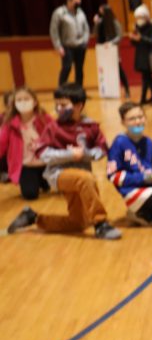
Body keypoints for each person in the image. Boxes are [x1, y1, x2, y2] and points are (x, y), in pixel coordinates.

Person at [6, 85, 122, 240]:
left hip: (81, 175)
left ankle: (33, 217)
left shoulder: (91, 126)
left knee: (78, 223)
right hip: (57, 174)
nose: (59, 108)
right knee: (85, 179)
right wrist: (69, 154)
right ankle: (101, 223)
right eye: (57, 104)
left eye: (63, 105)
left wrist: (86, 154)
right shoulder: (53, 127)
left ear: (79, 106)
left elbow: (101, 149)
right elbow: (43, 153)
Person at [107, 102, 152, 226]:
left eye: (140, 117)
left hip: (150, 190)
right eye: (132, 119)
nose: (137, 121)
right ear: (123, 122)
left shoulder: (149, 143)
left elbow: (151, 169)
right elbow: (113, 176)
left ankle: (145, 213)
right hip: (133, 193)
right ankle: (137, 210)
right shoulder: (119, 143)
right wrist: (145, 178)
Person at [0, 87, 54, 200]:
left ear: (34, 102)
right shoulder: (9, 123)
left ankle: (42, 180)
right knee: (30, 194)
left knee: (51, 187)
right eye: (19, 100)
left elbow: (57, 135)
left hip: (46, 162)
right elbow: (1, 143)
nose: (23, 102)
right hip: (26, 166)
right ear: (14, 104)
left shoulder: (44, 118)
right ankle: (36, 180)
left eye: (26, 99)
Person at [50, 0, 91, 88]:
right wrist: (58, 46)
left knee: (79, 69)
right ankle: (61, 90)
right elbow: (54, 30)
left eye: (79, 3)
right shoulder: (59, 13)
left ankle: (79, 91)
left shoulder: (81, 12)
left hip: (80, 46)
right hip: (67, 46)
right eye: (75, 3)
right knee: (67, 67)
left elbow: (86, 28)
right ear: (69, 1)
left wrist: (85, 41)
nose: (78, 5)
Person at [94, 4, 130, 98]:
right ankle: (108, 91)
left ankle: (127, 89)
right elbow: (95, 34)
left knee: (119, 70)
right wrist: (96, 23)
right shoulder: (101, 23)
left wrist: (110, 43)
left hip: (113, 51)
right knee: (105, 72)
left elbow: (119, 36)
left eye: (102, 12)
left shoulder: (115, 22)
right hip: (103, 51)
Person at [130, 5, 152, 105]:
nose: (138, 20)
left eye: (140, 18)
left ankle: (148, 98)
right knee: (146, 77)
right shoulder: (137, 28)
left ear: (146, 17)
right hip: (140, 55)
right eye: (137, 18)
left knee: (147, 77)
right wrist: (133, 38)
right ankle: (151, 98)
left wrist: (141, 38)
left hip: (149, 56)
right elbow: (134, 43)